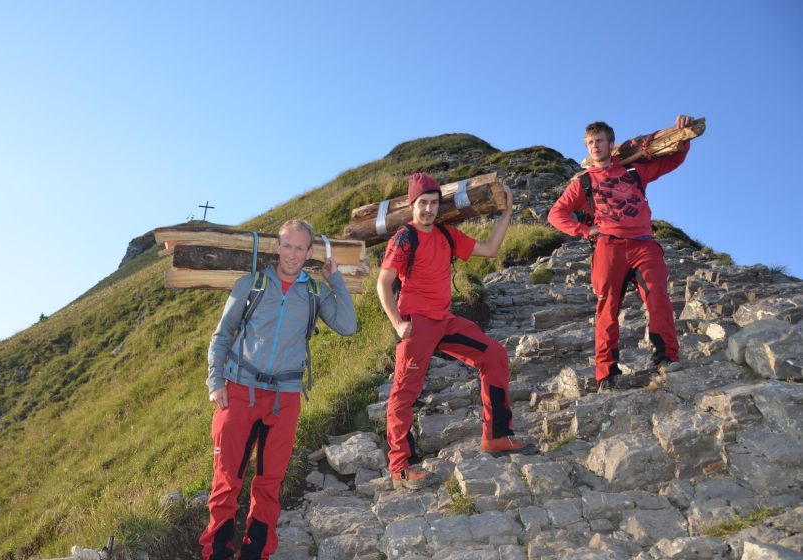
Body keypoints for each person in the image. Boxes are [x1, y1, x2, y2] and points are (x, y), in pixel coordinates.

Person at [199, 220, 357, 560]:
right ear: (276, 246)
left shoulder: (313, 293)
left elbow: (347, 325)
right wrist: (215, 382)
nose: (292, 254)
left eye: (300, 248)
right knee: (227, 481)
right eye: (287, 246)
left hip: (284, 400)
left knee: (269, 484)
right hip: (240, 391)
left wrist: (336, 282)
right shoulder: (252, 285)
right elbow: (222, 335)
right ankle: (216, 553)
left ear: (309, 253)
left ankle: (256, 553)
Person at [377, 173, 528, 491]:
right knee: (404, 392)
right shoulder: (405, 237)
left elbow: (488, 250)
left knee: (494, 355)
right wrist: (397, 323)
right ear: (412, 205)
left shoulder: (447, 236)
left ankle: (497, 435)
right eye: (423, 204)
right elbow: (383, 283)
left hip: (445, 321)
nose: (429, 210)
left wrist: (507, 214)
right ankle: (401, 467)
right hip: (416, 324)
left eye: (433, 203)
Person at [547, 115, 695, 391]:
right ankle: (606, 374)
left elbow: (670, 162)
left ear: (611, 144)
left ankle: (666, 358)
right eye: (590, 142)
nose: (594, 146)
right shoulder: (584, 182)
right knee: (607, 309)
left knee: (659, 297)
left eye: (599, 140)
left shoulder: (633, 172)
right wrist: (584, 230)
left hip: (643, 245)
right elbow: (556, 214)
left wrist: (683, 138)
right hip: (608, 247)